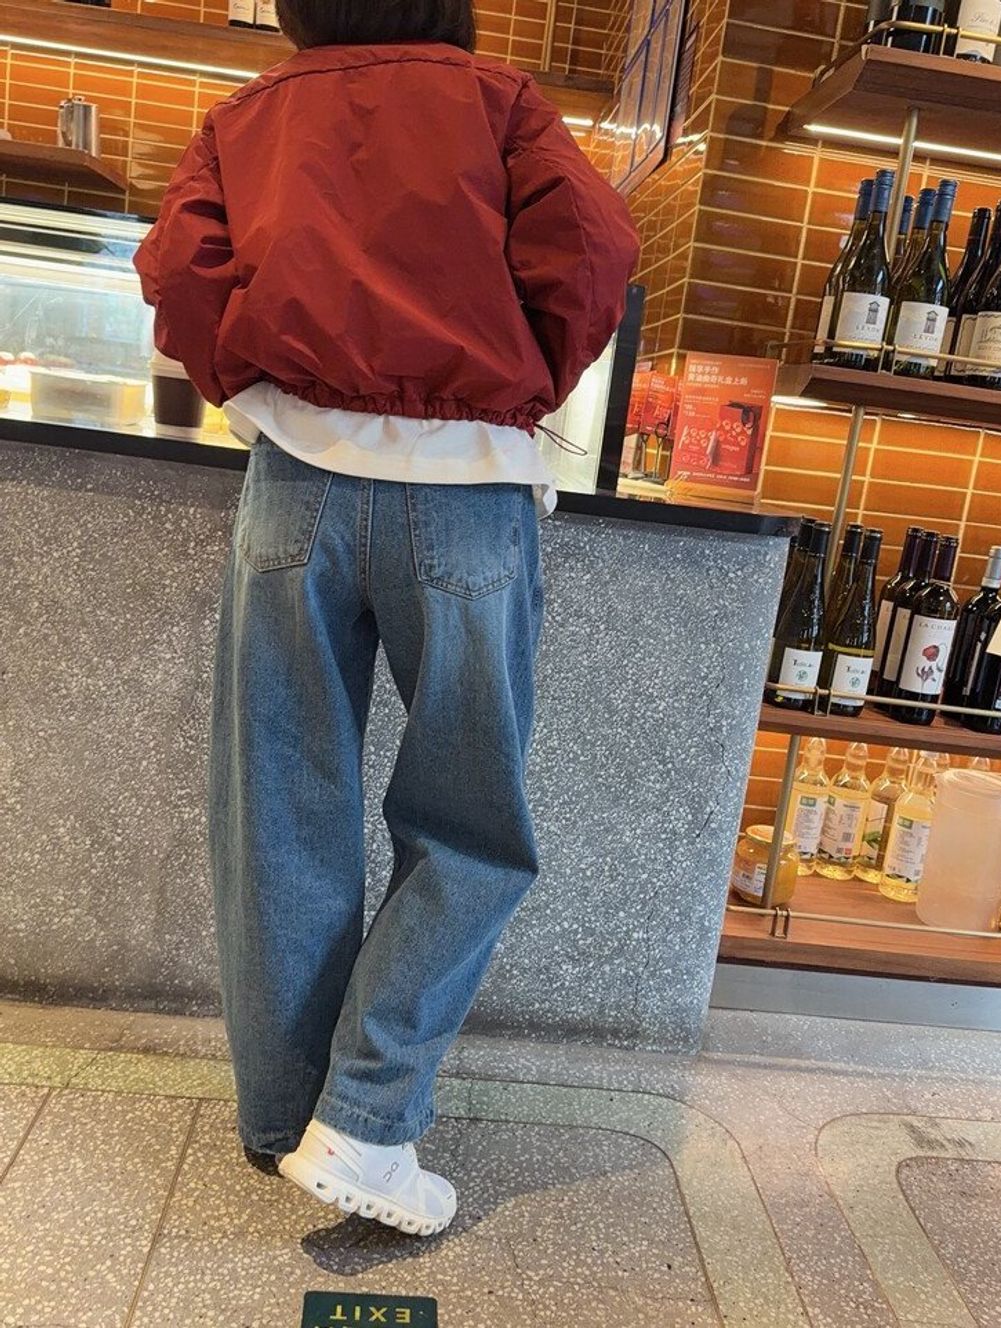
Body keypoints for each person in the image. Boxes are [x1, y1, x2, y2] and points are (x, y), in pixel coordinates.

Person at [135, 0, 638, 1239]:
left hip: (294, 488)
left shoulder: (248, 115)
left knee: (279, 808)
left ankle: (285, 1119)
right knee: (469, 823)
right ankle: (361, 1118)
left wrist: (260, 386)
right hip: (467, 494)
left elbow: (179, 273)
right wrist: (511, 380)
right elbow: (592, 251)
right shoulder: (498, 101)